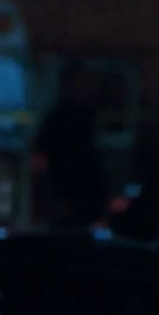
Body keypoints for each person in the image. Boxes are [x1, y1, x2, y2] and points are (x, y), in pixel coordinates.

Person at [35, 61, 109, 227]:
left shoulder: (87, 118)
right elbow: (43, 160)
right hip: (64, 195)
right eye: (78, 82)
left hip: (87, 195)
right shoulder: (56, 121)